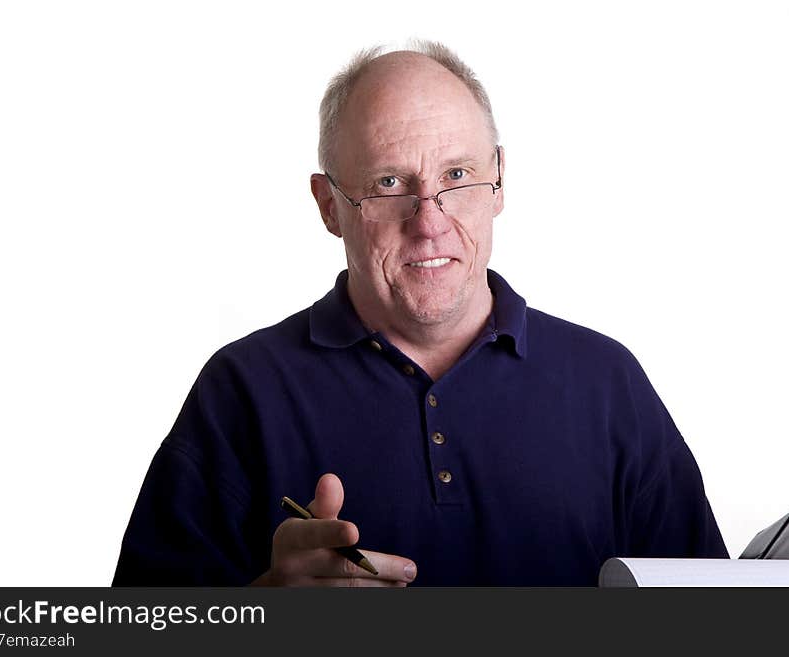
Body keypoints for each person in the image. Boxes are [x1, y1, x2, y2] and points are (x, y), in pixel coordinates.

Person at [112, 41, 728, 587]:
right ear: (330, 206)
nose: (429, 222)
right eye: (388, 183)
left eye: (456, 175)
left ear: (500, 181)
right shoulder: (241, 391)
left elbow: (726, 627)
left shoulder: (606, 381)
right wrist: (269, 614)